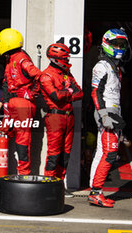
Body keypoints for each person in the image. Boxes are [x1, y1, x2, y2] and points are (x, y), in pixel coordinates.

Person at [88, 28, 128, 208]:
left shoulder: (115, 66)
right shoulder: (101, 66)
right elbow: (95, 92)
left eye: (122, 45)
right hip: (106, 114)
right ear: (106, 44)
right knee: (110, 153)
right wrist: (104, 115)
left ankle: (95, 190)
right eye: (115, 44)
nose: (119, 47)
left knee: (101, 152)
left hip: (114, 114)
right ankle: (95, 193)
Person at [0, 28, 41, 175]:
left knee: (22, 139)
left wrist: (31, 94)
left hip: (22, 104)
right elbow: (7, 83)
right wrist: (6, 103)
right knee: (1, 135)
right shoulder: (11, 59)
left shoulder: (21, 59)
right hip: (12, 103)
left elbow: (39, 77)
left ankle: (23, 175)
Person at [39, 43, 83, 180]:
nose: (68, 60)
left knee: (66, 154)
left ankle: (59, 185)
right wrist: (69, 92)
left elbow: (80, 93)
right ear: (56, 59)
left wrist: (66, 93)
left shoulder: (66, 74)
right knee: (54, 154)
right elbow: (55, 96)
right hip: (55, 117)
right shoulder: (46, 76)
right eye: (65, 58)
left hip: (70, 117)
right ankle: (49, 183)